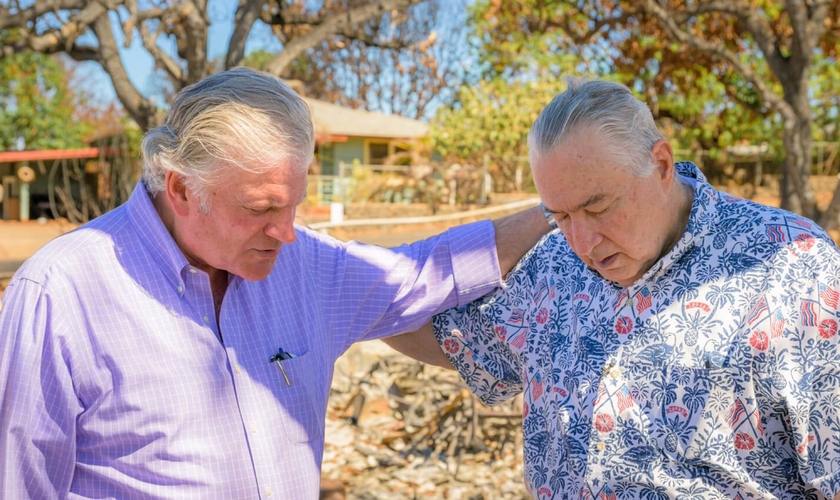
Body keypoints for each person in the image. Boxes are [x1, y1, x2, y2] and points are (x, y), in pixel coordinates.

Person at [0, 67, 549, 499]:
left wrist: (559, 210)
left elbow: (424, 273)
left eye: (294, 205)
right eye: (261, 208)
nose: (286, 232)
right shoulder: (62, 293)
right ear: (182, 189)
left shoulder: (304, 265)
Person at [418, 78, 840, 499]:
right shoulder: (549, 262)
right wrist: (354, 285)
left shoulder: (791, 263)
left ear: (660, 165)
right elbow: (461, 342)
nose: (582, 243)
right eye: (559, 216)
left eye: (597, 207)